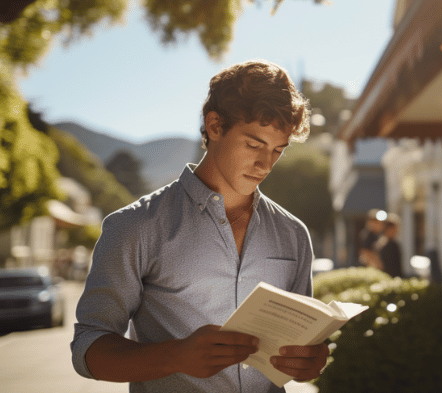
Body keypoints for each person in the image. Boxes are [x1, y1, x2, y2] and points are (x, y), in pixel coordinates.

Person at [71, 60, 329, 392]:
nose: (265, 164)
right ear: (215, 126)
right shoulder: (135, 226)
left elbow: (298, 353)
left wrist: (308, 363)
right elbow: (89, 347)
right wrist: (174, 357)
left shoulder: (293, 234)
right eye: (254, 145)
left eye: (277, 150)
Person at [374, 213, 403, 278]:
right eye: (396, 228)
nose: (397, 231)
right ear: (389, 229)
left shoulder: (380, 243)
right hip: (390, 280)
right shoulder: (390, 245)